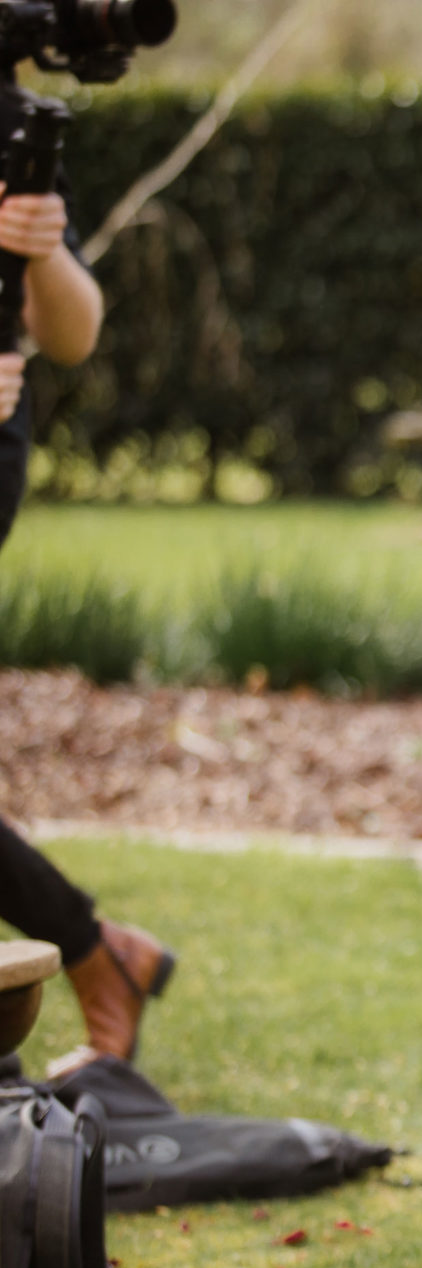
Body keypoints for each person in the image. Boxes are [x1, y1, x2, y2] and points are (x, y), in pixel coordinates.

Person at [0, 118, 174, 1067]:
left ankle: (90, 947)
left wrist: (34, 247)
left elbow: (70, 329)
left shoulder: (9, 125)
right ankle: (94, 948)